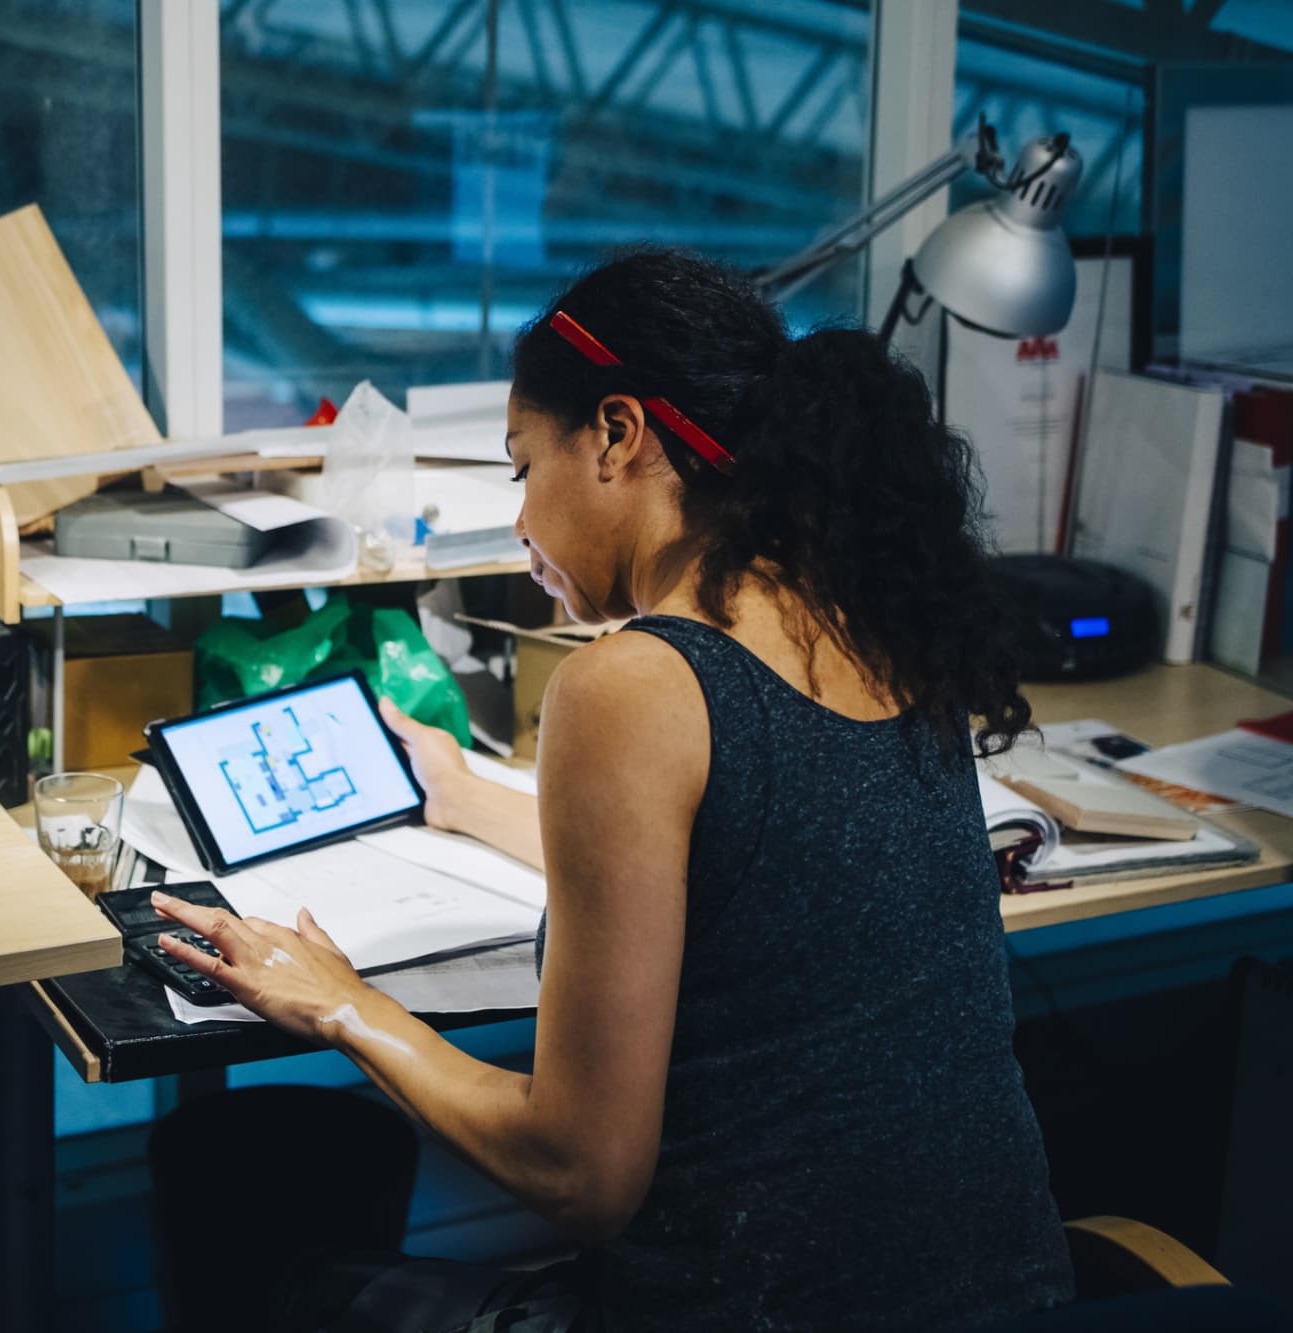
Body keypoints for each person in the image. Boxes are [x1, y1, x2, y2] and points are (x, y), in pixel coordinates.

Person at [150, 246, 1074, 1331]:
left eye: (519, 466)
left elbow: (579, 1176)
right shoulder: (875, 613)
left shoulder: (631, 683)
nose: (523, 519)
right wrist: (461, 795)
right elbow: (753, 860)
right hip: (1011, 1302)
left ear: (617, 435)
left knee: (288, 1290)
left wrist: (342, 1003)